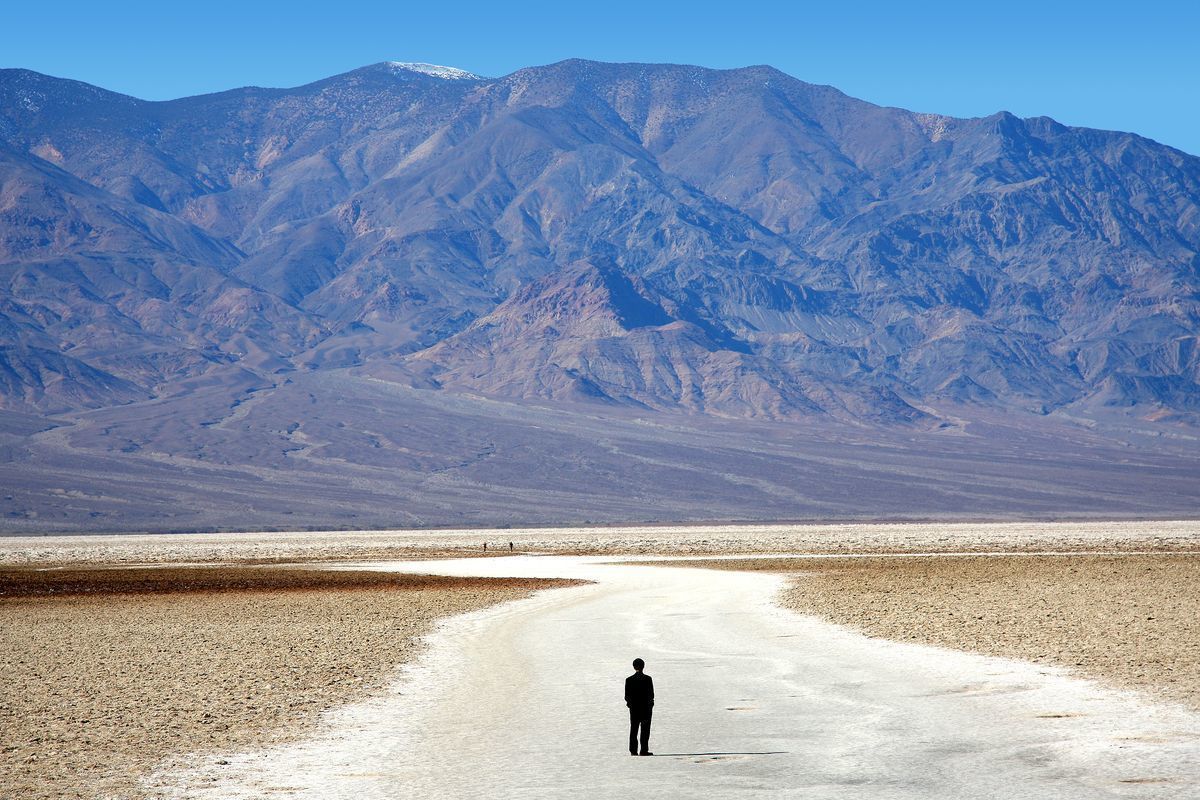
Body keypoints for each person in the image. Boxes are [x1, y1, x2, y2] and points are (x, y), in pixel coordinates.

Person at [625, 658, 654, 756]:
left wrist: (630, 705)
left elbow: (627, 696)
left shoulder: (629, 680)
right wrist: (650, 705)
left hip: (634, 709)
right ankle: (643, 750)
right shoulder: (648, 679)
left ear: (634, 667)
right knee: (645, 730)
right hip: (646, 708)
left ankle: (633, 750)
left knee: (634, 729)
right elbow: (651, 695)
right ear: (643, 666)